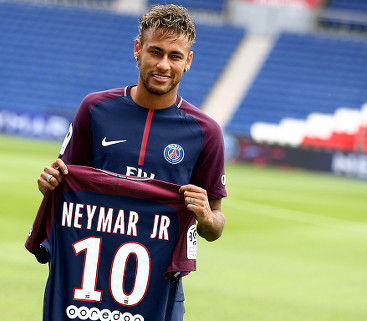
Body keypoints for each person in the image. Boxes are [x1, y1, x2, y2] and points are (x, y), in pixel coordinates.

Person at [35, 4, 227, 321]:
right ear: (138, 49)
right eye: (155, 51)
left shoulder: (205, 132)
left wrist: (206, 216)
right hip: (85, 285)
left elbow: (216, 224)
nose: (164, 64)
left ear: (188, 61)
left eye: (175, 56)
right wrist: (49, 184)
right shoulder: (95, 109)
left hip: (159, 290)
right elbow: (64, 185)